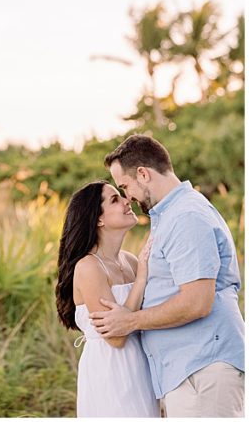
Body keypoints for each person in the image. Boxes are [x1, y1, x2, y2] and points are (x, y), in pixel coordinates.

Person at [92, 134, 244, 418]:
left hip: (202, 370)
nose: (128, 198)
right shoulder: (173, 215)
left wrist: (130, 321)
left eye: (125, 186)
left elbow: (197, 301)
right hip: (189, 371)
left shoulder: (186, 217)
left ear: (143, 174)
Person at [56, 180, 159, 417]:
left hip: (143, 364)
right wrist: (141, 278)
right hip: (111, 373)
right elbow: (116, 338)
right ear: (98, 219)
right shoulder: (89, 267)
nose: (127, 201)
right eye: (115, 199)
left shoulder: (131, 261)